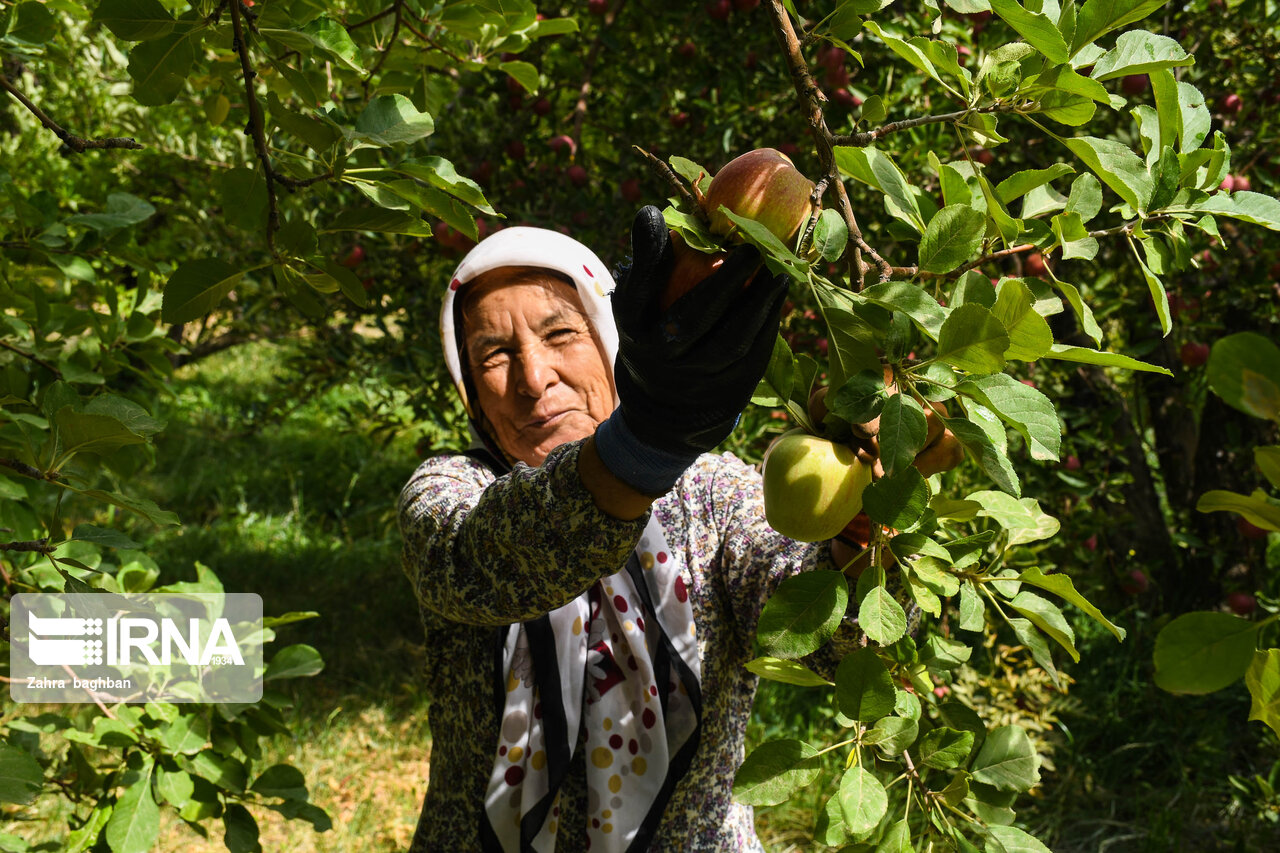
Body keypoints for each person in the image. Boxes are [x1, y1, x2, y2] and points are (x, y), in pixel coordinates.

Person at [397, 206, 950, 852]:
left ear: (608, 337)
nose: (534, 378)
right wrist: (646, 440)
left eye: (559, 333)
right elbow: (488, 559)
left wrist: (862, 514)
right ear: (467, 383)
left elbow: (835, 643)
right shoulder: (448, 493)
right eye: (494, 352)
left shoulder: (711, 491)